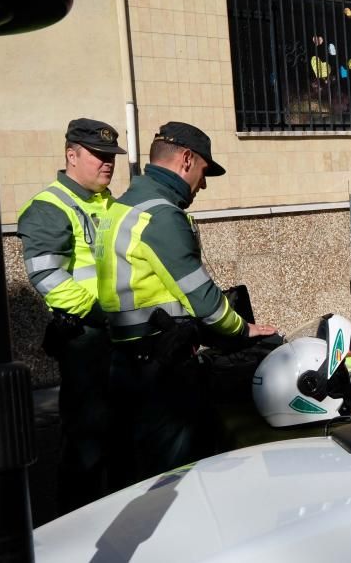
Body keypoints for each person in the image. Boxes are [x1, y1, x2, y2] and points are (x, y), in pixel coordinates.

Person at [95, 122, 276, 485]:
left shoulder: (124, 206)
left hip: (127, 361)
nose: (203, 185)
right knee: (176, 478)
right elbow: (205, 303)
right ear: (187, 160)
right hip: (161, 368)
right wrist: (245, 329)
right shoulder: (160, 215)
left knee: (142, 474)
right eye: (204, 173)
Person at [17, 118, 126, 513]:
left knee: (116, 437)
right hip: (87, 336)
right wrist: (98, 314)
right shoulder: (50, 206)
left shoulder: (110, 204)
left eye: (111, 156)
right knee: (86, 441)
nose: (107, 164)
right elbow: (47, 275)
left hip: (115, 334)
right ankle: (76, 524)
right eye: (99, 156)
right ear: (71, 155)